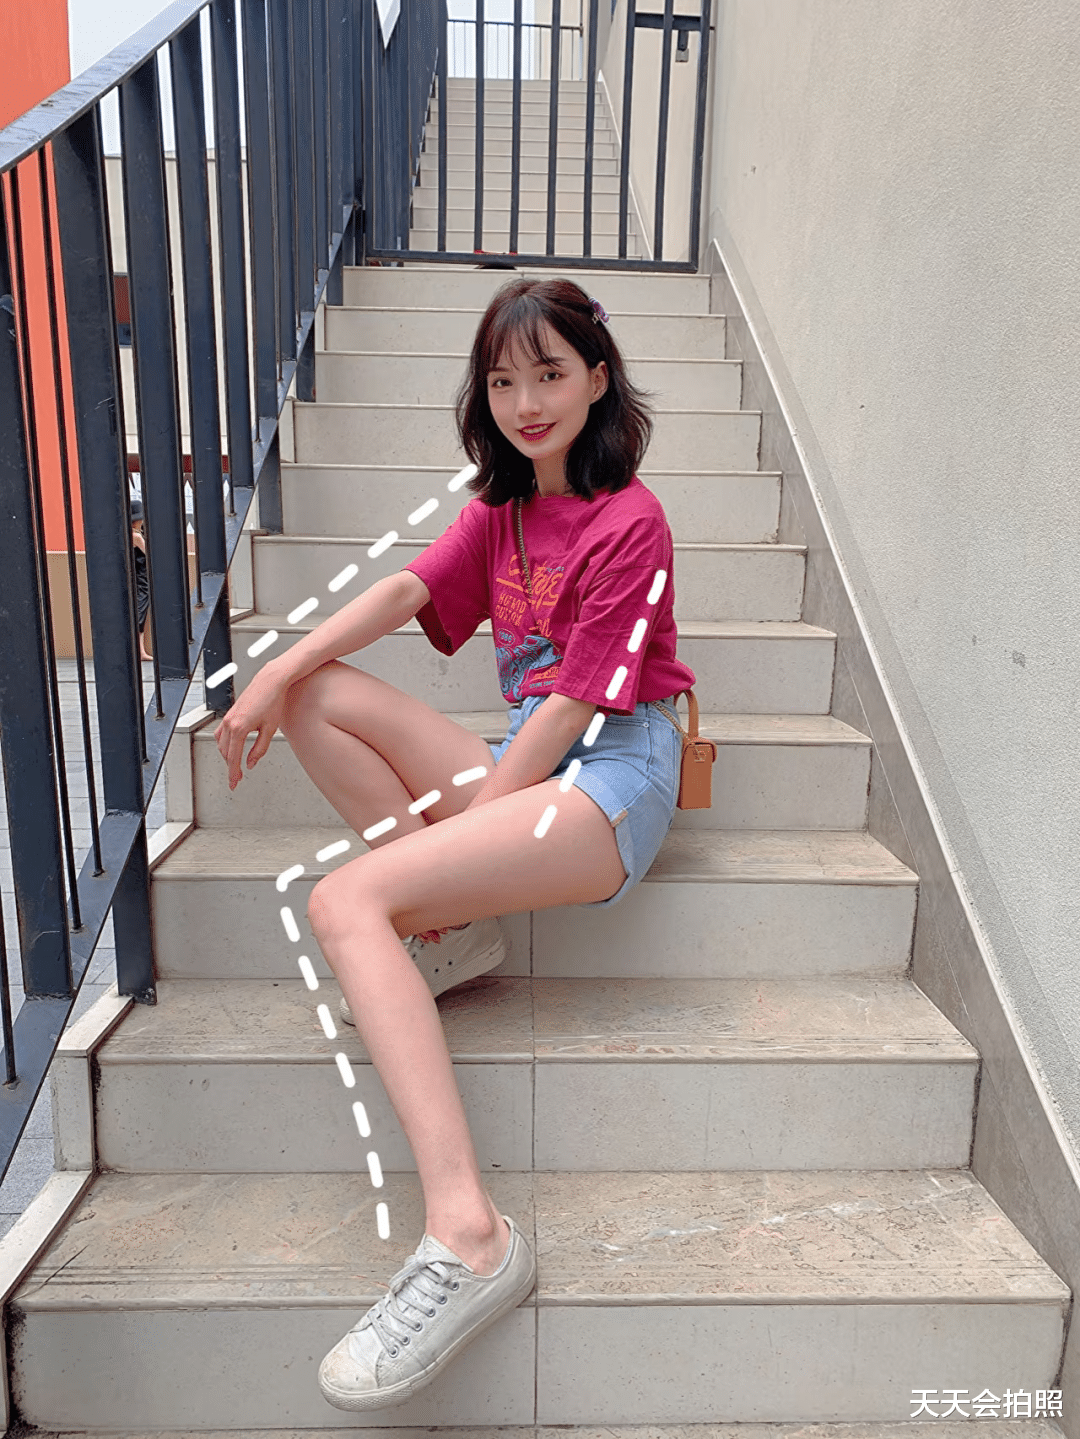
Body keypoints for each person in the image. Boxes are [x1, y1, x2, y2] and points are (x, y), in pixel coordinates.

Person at [213, 277, 696, 1413]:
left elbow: (572, 710)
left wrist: (460, 849)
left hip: (611, 777)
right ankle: (453, 927)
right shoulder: (504, 511)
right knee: (319, 694)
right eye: (504, 379)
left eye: (551, 374)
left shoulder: (634, 520)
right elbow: (404, 591)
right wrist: (277, 668)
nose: (527, 402)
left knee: (346, 903)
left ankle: (471, 1233)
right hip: (530, 759)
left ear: (598, 379)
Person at [130, 498, 152, 662]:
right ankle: (140, 651)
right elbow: (149, 554)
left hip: (138, 579)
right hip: (141, 581)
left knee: (140, 614)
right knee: (140, 614)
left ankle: (140, 650)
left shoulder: (130, 534)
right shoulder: (136, 536)